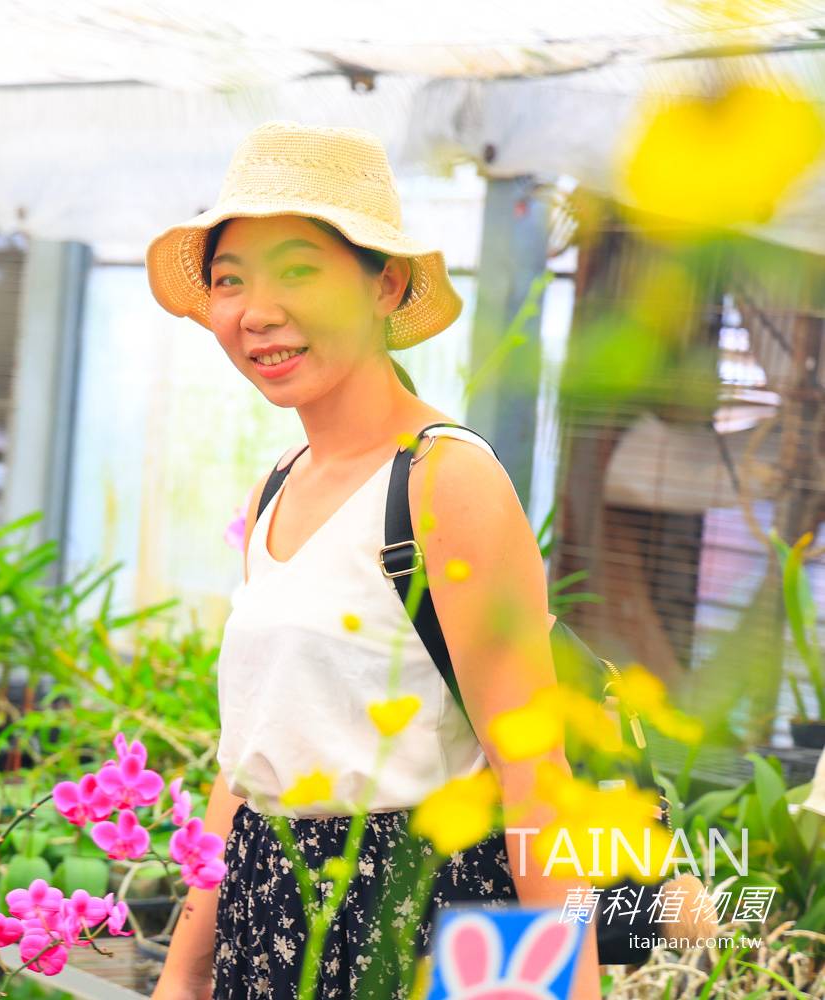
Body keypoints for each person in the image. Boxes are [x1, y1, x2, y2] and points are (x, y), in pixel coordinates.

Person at [143, 122, 601, 999]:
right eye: (231, 281)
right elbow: (247, 766)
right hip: (265, 917)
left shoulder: (444, 481)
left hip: (408, 918)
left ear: (384, 284)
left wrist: (572, 990)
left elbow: (535, 775)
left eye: (299, 271)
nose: (256, 312)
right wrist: (183, 976)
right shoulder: (278, 484)